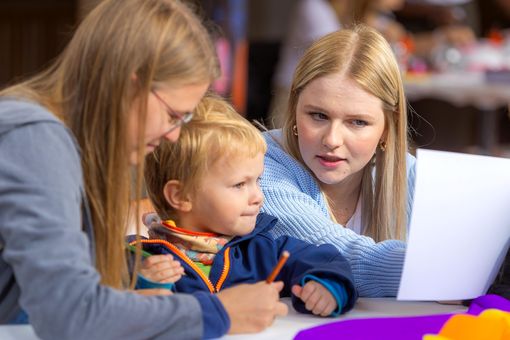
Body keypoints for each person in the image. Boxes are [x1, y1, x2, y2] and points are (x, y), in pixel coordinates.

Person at [0, 0, 287, 339]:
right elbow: (71, 313)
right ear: (130, 85)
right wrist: (219, 311)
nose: (175, 135)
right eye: (172, 116)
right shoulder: (36, 141)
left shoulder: (61, 143)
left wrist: (134, 305)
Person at [138, 95, 358, 317]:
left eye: (257, 181)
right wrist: (142, 285)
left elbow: (328, 260)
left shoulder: (263, 250)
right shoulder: (140, 261)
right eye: (239, 184)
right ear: (181, 196)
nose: (258, 197)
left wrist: (327, 288)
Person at [260, 25, 416, 297]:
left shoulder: (410, 174)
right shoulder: (258, 162)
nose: (332, 139)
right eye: (318, 115)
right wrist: (437, 271)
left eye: (357, 122)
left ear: (387, 129)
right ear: (295, 109)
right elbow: (333, 255)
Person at [270, 0, 348, 128]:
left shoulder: (330, 8)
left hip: (310, 86)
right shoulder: (312, 5)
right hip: (293, 86)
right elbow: (334, 46)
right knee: (284, 138)